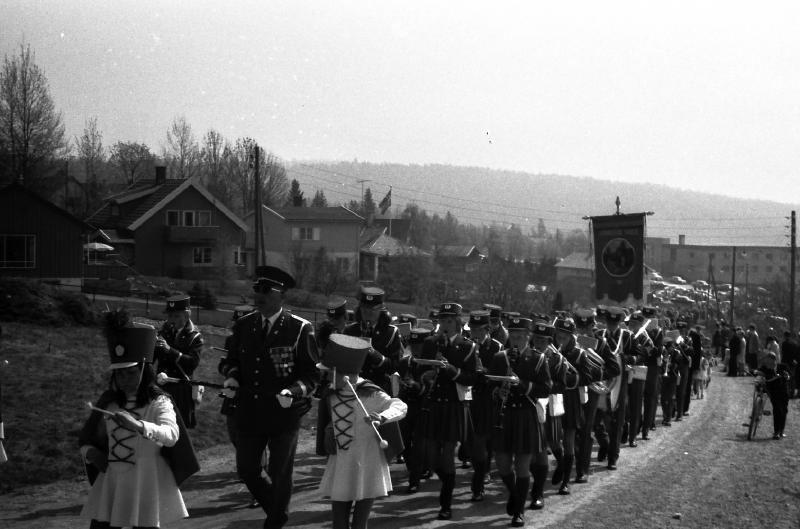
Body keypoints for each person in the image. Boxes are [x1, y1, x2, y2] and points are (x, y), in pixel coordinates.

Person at [222, 265, 320, 529]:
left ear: (281, 295)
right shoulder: (244, 325)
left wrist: (293, 391)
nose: (259, 295)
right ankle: (277, 514)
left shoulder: (299, 328)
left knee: (279, 471)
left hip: (283, 414)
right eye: (257, 289)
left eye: (266, 290)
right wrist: (232, 377)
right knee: (247, 469)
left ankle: (275, 521)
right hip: (249, 411)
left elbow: (312, 375)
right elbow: (230, 361)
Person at [80, 310, 197, 529]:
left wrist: (139, 425)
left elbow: (171, 435)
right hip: (112, 481)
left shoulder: (159, 401)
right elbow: (88, 438)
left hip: (146, 480)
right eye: (120, 374)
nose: (125, 380)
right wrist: (90, 452)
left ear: (144, 371)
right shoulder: (109, 401)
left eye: (131, 373)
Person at [316, 334, 408, 529]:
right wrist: (329, 428)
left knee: (360, 524)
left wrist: (382, 417)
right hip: (341, 462)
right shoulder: (331, 393)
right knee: (338, 523)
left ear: (345, 374)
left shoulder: (371, 393)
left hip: (368, 462)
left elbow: (400, 406)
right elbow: (330, 418)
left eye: (330, 372)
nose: (326, 377)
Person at [416, 302, 479, 520]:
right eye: (442, 320)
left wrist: (450, 370)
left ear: (458, 322)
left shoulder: (468, 346)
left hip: (453, 404)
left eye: (449, 320)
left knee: (447, 455)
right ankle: (447, 483)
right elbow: (421, 369)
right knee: (432, 457)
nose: (445, 324)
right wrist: (426, 376)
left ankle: (446, 504)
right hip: (434, 403)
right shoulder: (431, 342)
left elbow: (472, 378)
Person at [490, 316, 552, 527]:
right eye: (513, 334)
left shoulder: (538, 359)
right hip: (505, 414)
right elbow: (490, 383)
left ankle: (518, 512)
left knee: (522, 465)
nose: (515, 338)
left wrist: (522, 384)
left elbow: (545, 389)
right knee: (502, 464)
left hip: (526, 415)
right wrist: (497, 391)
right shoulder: (500, 357)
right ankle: (516, 495)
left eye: (520, 335)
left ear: (528, 336)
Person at [217, 304, 259, 509]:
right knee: (234, 435)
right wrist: (229, 371)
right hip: (234, 396)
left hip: (253, 399)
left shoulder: (261, 341)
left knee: (255, 445)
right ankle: (249, 472)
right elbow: (225, 364)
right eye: (236, 323)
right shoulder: (231, 341)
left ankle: (258, 490)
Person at [465, 310, 503, 502]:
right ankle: (481, 469)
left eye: (479, 330)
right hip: (468, 397)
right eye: (472, 329)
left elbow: (502, 375)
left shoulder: (496, 347)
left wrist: (484, 371)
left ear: (487, 329)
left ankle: (479, 481)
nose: (475, 333)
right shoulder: (467, 344)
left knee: (481, 440)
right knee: (471, 442)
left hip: (487, 399)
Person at [153, 295, 204, 429]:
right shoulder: (164, 332)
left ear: (186, 315)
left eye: (176, 316)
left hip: (181, 389)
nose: (171, 320)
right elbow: (152, 359)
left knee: (179, 430)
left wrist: (170, 350)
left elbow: (192, 363)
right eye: (170, 316)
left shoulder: (195, 337)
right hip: (161, 388)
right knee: (158, 427)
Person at [344, 287, 404, 394]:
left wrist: (373, 353)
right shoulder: (350, 330)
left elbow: (394, 366)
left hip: (379, 388)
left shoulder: (391, 332)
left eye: (373, 309)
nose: (368, 313)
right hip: (353, 387)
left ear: (381, 309)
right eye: (364, 309)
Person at [593, 306, 631, 471]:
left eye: (615, 323)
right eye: (609, 322)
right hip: (601, 380)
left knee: (617, 421)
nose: (612, 325)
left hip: (619, 382)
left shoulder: (626, 336)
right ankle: (604, 443)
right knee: (595, 419)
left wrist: (625, 358)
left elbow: (639, 354)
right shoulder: (598, 335)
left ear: (619, 322)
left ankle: (613, 457)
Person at [396, 327, 432, 493]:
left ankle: (414, 480)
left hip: (424, 407)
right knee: (403, 442)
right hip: (406, 405)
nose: (416, 348)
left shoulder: (431, 364)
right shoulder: (404, 362)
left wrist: (417, 386)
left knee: (419, 443)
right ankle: (414, 469)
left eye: (419, 345)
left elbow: (430, 387)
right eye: (413, 345)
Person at [756, 351, 791, 439]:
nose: (768, 363)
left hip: (784, 391)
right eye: (767, 361)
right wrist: (758, 373)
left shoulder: (783, 366)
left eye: (770, 361)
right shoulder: (765, 368)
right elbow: (757, 372)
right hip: (773, 392)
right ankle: (776, 432)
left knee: (784, 410)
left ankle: (781, 431)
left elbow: (789, 375)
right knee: (777, 410)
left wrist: (787, 376)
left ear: (774, 360)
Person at [659, 330, 682, 427]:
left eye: (671, 347)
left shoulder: (677, 353)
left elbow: (678, 364)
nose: (670, 349)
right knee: (663, 399)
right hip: (664, 378)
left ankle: (668, 418)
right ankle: (665, 415)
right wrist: (663, 361)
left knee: (670, 398)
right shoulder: (663, 353)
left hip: (672, 377)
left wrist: (670, 363)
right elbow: (660, 365)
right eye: (669, 348)